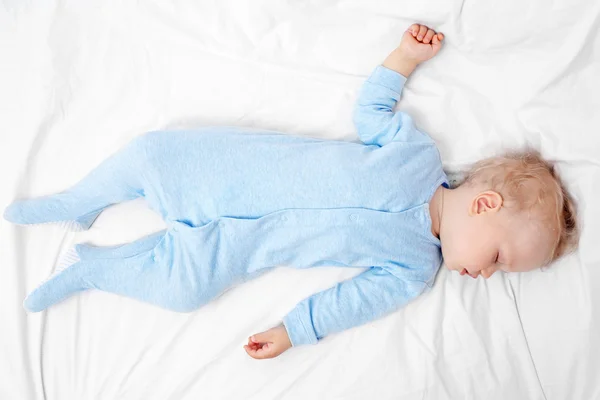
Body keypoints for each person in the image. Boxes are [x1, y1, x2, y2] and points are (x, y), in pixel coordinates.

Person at [3, 24, 578, 360]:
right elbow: (372, 109)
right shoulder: (415, 155)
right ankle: (78, 202)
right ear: (485, 204)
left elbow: (347, 304)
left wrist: (292, 332)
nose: (487, 275)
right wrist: (404, 59)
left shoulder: (410, 271)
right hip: (226, 172)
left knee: (180, 289)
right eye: (498, 259)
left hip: (239, 249)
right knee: (150, 155)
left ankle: (94, 268)